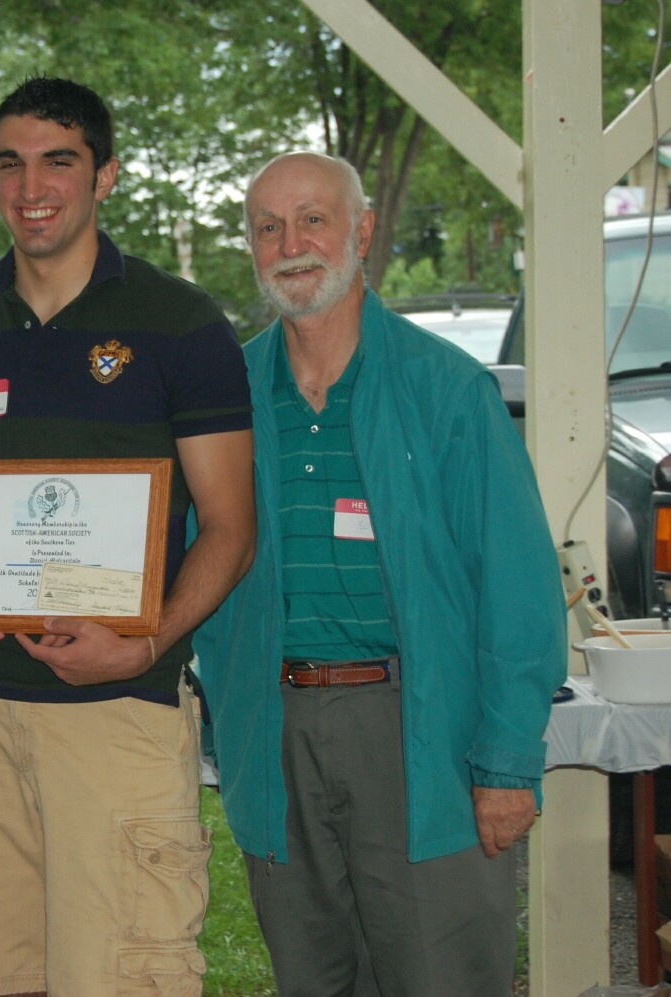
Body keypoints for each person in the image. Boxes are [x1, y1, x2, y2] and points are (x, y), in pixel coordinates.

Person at [0, 77, 257, 997]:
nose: (32, 188)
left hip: (118, 711)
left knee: (123, 977)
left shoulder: (182, 324)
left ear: (106, 176)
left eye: (58, 161)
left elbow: (231, 526)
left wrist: (146, 639)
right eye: (9, 164)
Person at [194, 151, 567, 996]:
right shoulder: (224, 397)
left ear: (362, 232)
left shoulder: (447, 389)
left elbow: (518, 590)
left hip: (421, 730)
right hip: (274, 730)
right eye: (268, 227)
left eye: (313, 220)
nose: (291, 244)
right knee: (311, 975)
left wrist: (507, 763)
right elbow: (183, 561)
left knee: (440, 975)